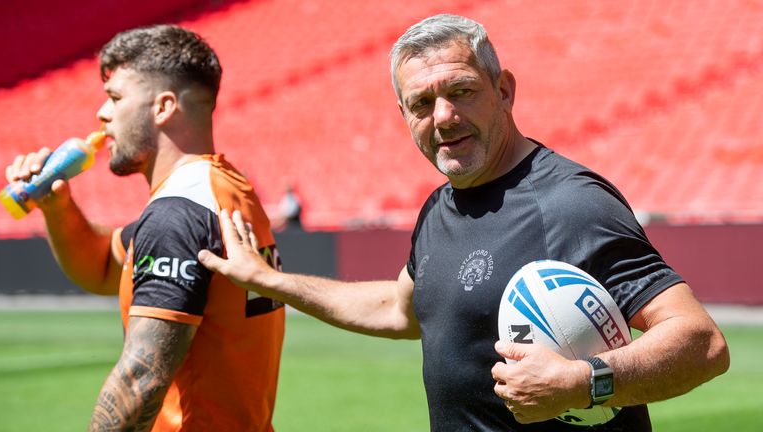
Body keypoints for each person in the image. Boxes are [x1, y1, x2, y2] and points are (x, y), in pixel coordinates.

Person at [197, 14, 730, 432]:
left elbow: (702, 343)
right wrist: (270, 280)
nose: (444, 116)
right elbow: (399, 310)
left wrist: (582, 382)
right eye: (422, 103)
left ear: (504, 90)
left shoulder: (571, 204)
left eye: (461, 91)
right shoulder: (439, 206)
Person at [4, 25, 285, 431]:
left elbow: (140, 380)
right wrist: (56, 205)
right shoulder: (224, 187)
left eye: (115, 98)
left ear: (163, 107)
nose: (102, 114)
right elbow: (103, 266)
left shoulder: (178, 212)